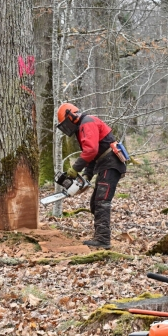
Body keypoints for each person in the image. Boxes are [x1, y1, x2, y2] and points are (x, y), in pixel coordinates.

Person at [56, 103, 127, 249]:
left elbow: (91, 151)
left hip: (111, 163)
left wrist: (74, 169)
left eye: (66, 123)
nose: (67, 126)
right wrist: (87, 175)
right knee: (95, 203)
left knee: (102, 201)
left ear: (71, 115)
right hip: (104, 163)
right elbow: (92, 156)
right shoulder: (82, 126)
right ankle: (100, 235)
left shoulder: (87, 123)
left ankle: (103, 239)